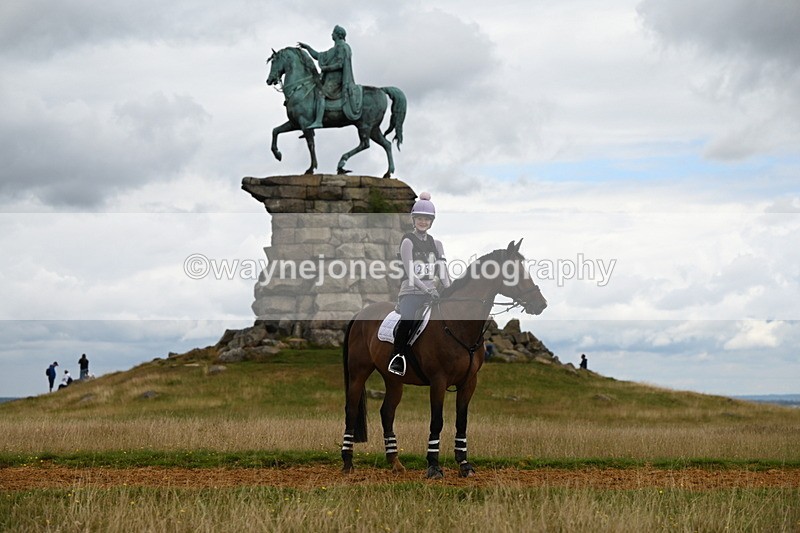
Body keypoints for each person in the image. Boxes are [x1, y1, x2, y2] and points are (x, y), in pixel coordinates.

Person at [388, 192, 451, 376]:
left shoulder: (436, 244)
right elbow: (409, 272)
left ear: (431, 222)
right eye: (420, 218)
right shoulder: (408, 240)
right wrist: (427, 290)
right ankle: (397, 356)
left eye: (427, 219)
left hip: (431, 293)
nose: (423, 222)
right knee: (408, 319)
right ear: (414, 219)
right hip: (410, 292)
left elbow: (443, 271)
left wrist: (450, 289)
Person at [298, 24, 363, 127]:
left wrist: (326, 68)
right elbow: (318, 56)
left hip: (337, 80)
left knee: (321, 94)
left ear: (338, 35)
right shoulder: (334, 49)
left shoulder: (342, 47)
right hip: (329, 79)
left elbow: (340, 64)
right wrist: (308, 48)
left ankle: (319, 121)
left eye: (333, 33)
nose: (331, 34)